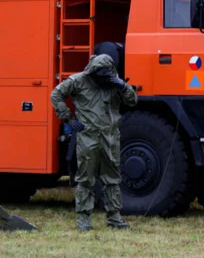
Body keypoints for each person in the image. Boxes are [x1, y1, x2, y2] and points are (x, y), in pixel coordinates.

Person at [50, 53, 138, 231]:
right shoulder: (79, 81)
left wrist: (122, 86)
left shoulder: (114, 83)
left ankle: (114, 216)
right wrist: (68, 118)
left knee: (112, 179)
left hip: (110, 136)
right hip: (88, 136)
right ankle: (84, 219)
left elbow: (132, 101)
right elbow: (56, 94)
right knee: (85, 179)